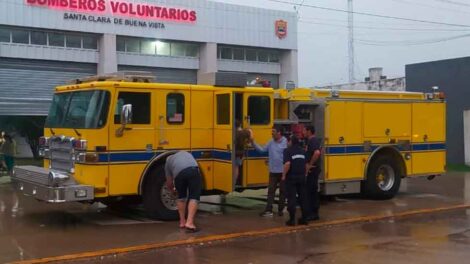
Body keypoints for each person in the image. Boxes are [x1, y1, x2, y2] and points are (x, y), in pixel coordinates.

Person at [252, 126, 287, 217]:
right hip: (273, 171)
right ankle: (268, 210)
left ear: (279, 133)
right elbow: (262, 150)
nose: (272, 133)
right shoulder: (270, 142)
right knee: (271, 191)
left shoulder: (286, 142)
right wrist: (253, 142)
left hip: (283, 172)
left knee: (283, 191)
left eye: (274, 132)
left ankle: (280, 210)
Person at [164, 151, 202, 233]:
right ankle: (190, 223)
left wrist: (173, 191)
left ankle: (182, 222)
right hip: (193, 170)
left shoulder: (167, 163)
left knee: (181, 197)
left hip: (178, 174)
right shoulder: (185, 153)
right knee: (194, 196)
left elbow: (169, 183)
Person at [282, 135, 308, 226]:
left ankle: (292, 220)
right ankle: (304, 219)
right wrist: (305, 174)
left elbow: (287, 164)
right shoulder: (302, 151)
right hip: (301, 177)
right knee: (303, 198)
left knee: (291, 198)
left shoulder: (287, 151)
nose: (287, 143)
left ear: (291, 142)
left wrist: (284, 175)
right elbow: (306, 164)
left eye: (288, 141)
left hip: (291, 177)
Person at [303, 126, 322, 221]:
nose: (303, 132)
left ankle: (313, 213)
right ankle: (312, 213)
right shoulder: (310, 141)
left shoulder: (313, 141)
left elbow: (317, 153)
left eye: (304, 130)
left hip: (313, 171)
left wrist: (310, 164)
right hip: (312, 170)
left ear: (309, 131)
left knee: (311, 192)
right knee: (311, 191)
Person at [234, 120, 252, 186]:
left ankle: (231, 182)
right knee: (236, 168)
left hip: (232, 152)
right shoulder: (244, 132)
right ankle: (234, 182)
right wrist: (249, 142)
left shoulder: (233, 132)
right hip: (240, 153)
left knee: (232, 168)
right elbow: (250, 132)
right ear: (240, 125)